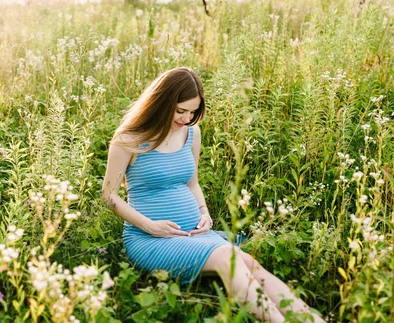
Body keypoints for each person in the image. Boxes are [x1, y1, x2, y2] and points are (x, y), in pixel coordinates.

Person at [101, 67, 325, 323]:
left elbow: (192, 183)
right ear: (161, 103)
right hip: (150, 239)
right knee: (227, 257)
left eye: (193, 112)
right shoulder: (129, 139)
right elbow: (109, 196)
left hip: (197, 233)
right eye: (180, 110)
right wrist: (150, 226)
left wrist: (204, 213)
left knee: (249, 262)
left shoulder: (191, 133)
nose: (187, 118)